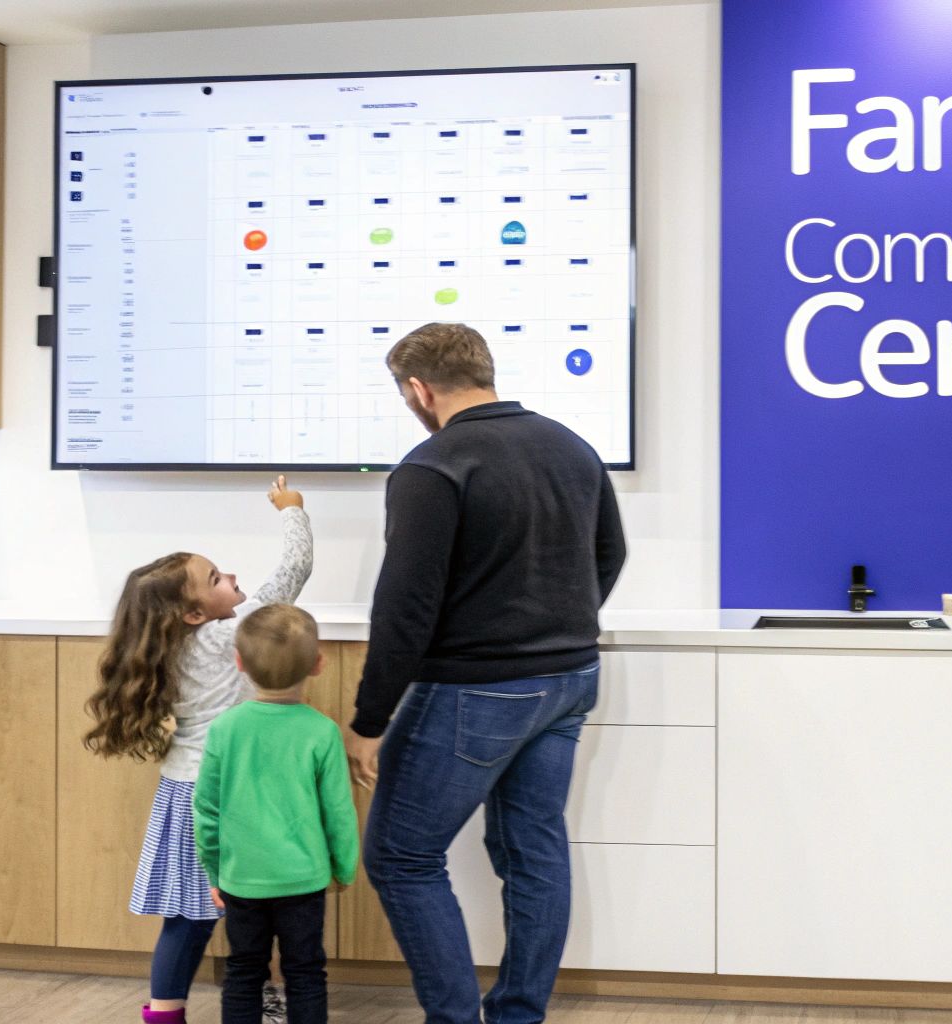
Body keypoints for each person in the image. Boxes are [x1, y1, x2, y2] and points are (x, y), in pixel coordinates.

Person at [346, 322, 628, 1024]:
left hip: (476, 690)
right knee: (533, 850)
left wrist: (368, 721)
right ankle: (516, 1016)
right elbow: (611, 553)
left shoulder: (431, 465)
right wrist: (554, 625)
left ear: (418, 389)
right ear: (483, 369)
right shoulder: (572, 446)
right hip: (568, 680)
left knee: (401, 858)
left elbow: (405, 609)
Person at [83, 477, 312, 1024]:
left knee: (186, 921)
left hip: (182, 792)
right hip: (232, 798)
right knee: (261, 911)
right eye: (216, 578)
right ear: (192, 613)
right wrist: (293, 510)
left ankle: (165, 1013)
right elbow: (292, 574)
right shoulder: (219, 638)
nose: (231, 577)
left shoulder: (167, 650)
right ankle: (270, 1002)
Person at [194, 603, 359, 1024]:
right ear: (318, 664)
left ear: (239, 663)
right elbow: (339, 811)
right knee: (305, 972)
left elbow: (207, 808)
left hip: (241, 878)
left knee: (243, 971)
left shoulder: (224, 729)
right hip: (304, 878)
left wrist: (214, 870)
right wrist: (343, 868)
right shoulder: (322, 731)